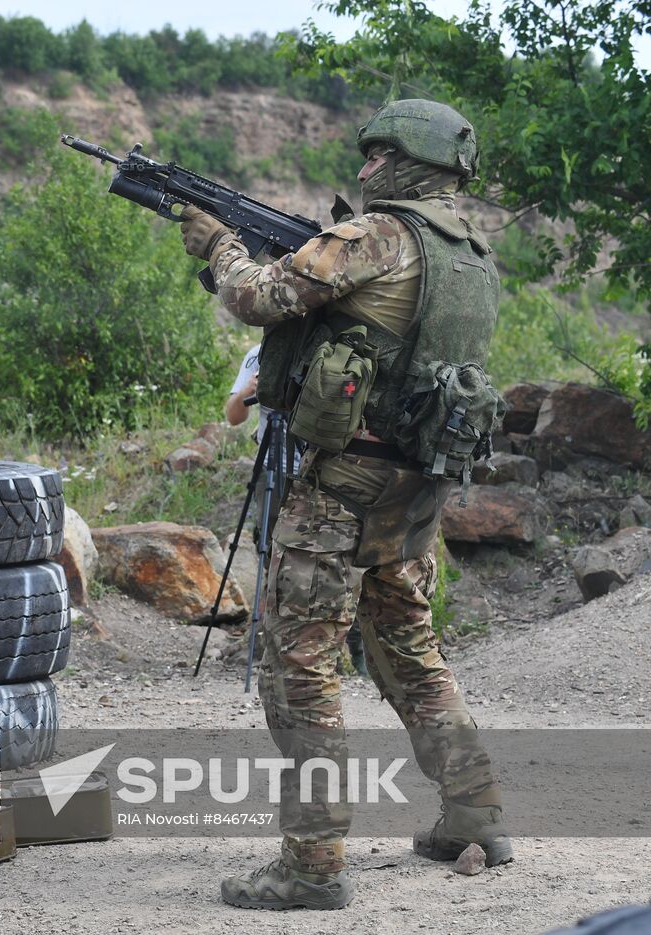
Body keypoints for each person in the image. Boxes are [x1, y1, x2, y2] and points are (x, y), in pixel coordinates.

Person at [178, 99, 512, 911]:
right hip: (414, 490)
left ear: (409, 161)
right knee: (407, 650)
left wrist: (218, 246)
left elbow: (259, 298)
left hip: (343, 490)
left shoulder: (377, 237)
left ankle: (312, 865)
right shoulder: (469, 252)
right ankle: (474, 815)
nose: (363, 171)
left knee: (299, 668)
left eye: (376, 156)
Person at [227, 345, 369, 678]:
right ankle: (276, 646)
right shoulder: (260, 353)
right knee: (272, 550)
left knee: (338, 556)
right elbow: (234, 415)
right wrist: (251, 390)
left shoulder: (330, 348)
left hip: (322, 468)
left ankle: (355, 647)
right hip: (274, 467)